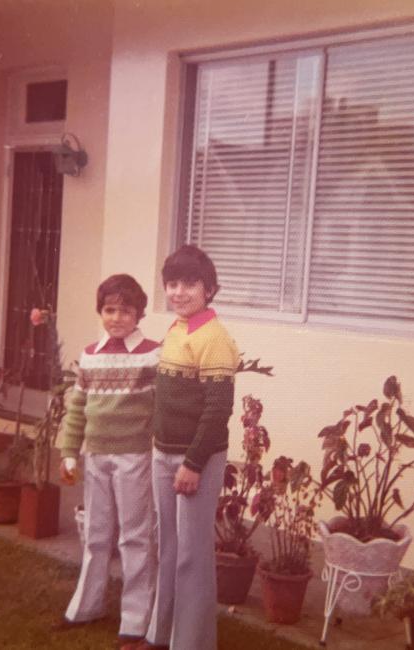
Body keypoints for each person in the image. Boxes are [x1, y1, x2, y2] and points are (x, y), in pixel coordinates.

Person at [139, 245, 239, 650]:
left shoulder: (215, 338)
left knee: (191, 557)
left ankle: (192, 643)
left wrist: (193, 464)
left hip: (195, 459)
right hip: (164, 453)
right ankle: (161, 634)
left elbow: (217, 412)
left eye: (190, 284)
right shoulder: (178, 328)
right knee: (168, 549)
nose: (179, 292)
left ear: (209, 289)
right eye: (173, 283)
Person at [55, 274, 159, 650]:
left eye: (125, 311)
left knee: (134, 536)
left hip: (134, 455)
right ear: (100, 311)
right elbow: (78, 408)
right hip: (96, 454)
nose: (117, 318)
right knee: (96, 534)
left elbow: (162, 407)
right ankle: (86, 606)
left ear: (139, 313)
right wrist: (69, 452)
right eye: (109, 310)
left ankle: (135, 620)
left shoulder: (152, 353)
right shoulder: (90, 354)